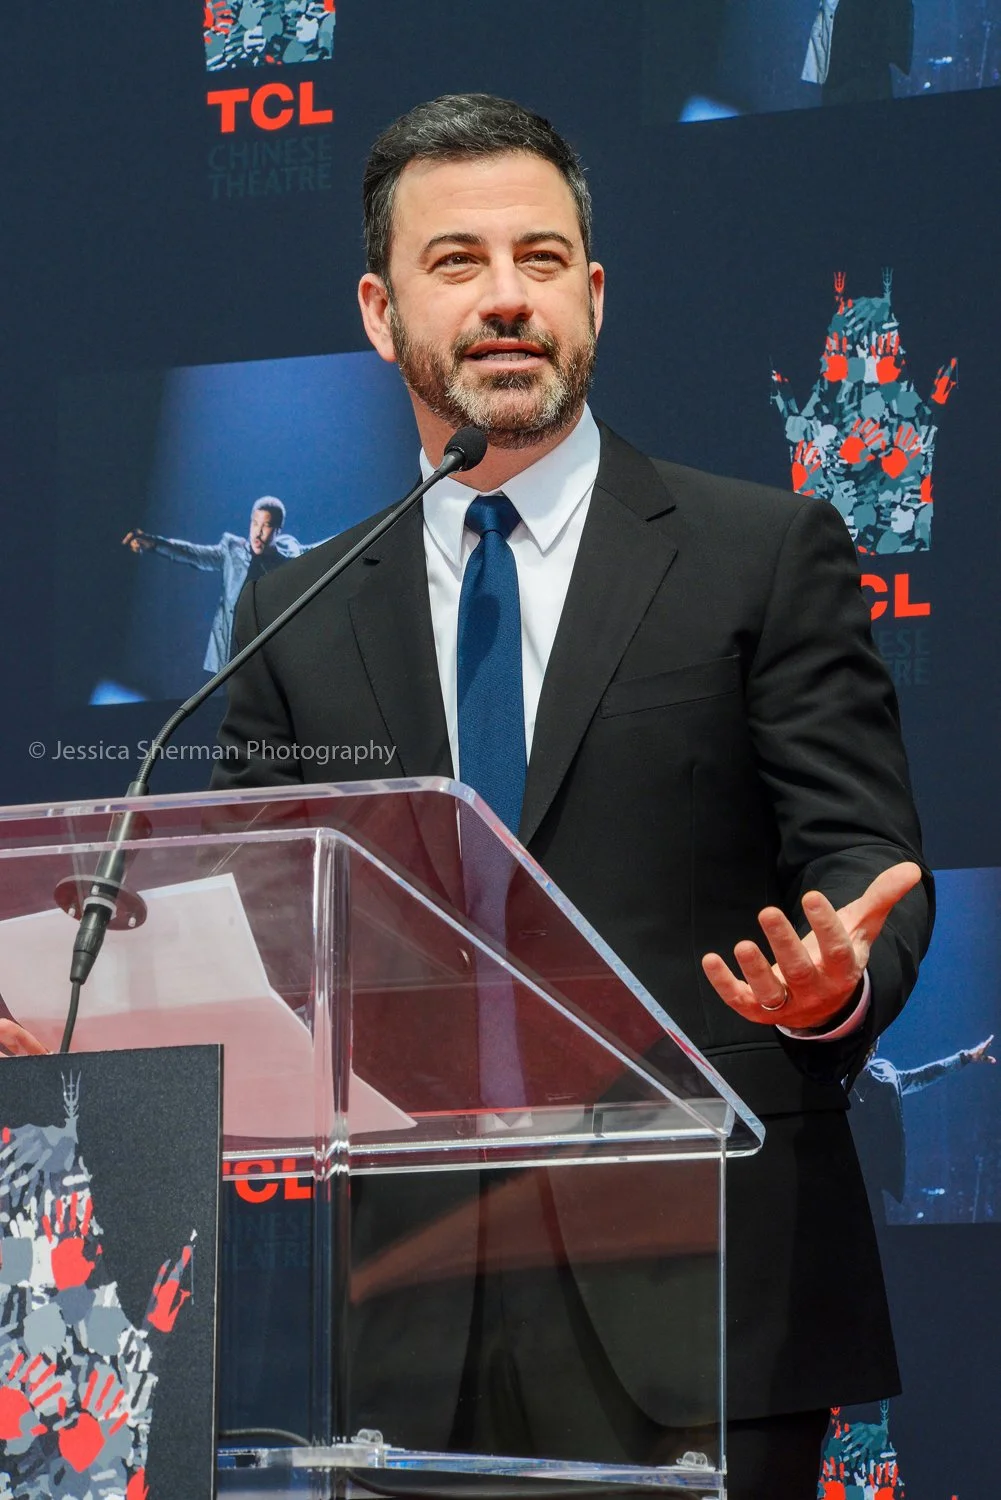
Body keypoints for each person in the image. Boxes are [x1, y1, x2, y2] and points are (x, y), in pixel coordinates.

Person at [7, 95, 931, 1499]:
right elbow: (253, 931)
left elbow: (861, 857)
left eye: (541, 258)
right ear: (381, 314)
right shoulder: (292, 615)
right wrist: (91, 1035)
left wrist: (836, 982)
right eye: (458, 262)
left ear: (593, 296)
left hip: (701, 1296)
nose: (507, 297)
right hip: (400, 1317)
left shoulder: (761, 554)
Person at [122, 497, 308, 673]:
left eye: (266, 526)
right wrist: (154, 544)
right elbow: (193, 553)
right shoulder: (233, 552)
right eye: (255, 523)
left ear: (278, 530)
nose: (257, 533)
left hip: (264, 655)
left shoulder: (287, 560)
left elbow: (318, 551)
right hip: (230, 654)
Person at [851, 1034, 996, 1220]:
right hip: (840, 1173)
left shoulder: (885, 1074)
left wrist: (966, 1057)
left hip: (874, 1180)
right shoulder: (833, 1081)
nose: (866, 1053)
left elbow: (922, 1076)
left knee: (876, 1228)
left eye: (870, 1048)